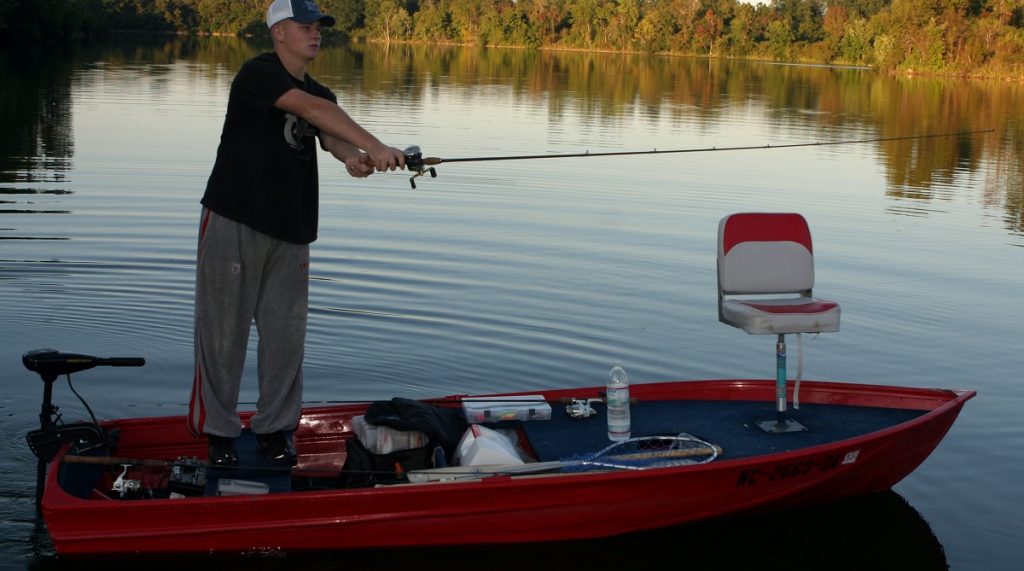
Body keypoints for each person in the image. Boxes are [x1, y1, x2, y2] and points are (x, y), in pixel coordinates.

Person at [187, 0, 406, 466]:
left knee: (286, 339)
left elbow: (329, 133)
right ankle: (220, 435)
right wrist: (377, 144)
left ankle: (274, 430)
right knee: (222, 335)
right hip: (234, 219)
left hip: (292, 229)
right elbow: (308, 110)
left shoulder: (321, 91)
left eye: (318, 26)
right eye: (304, 26)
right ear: (278, 32)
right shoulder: (257, 75)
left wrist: (353, 157)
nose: (315, 33)